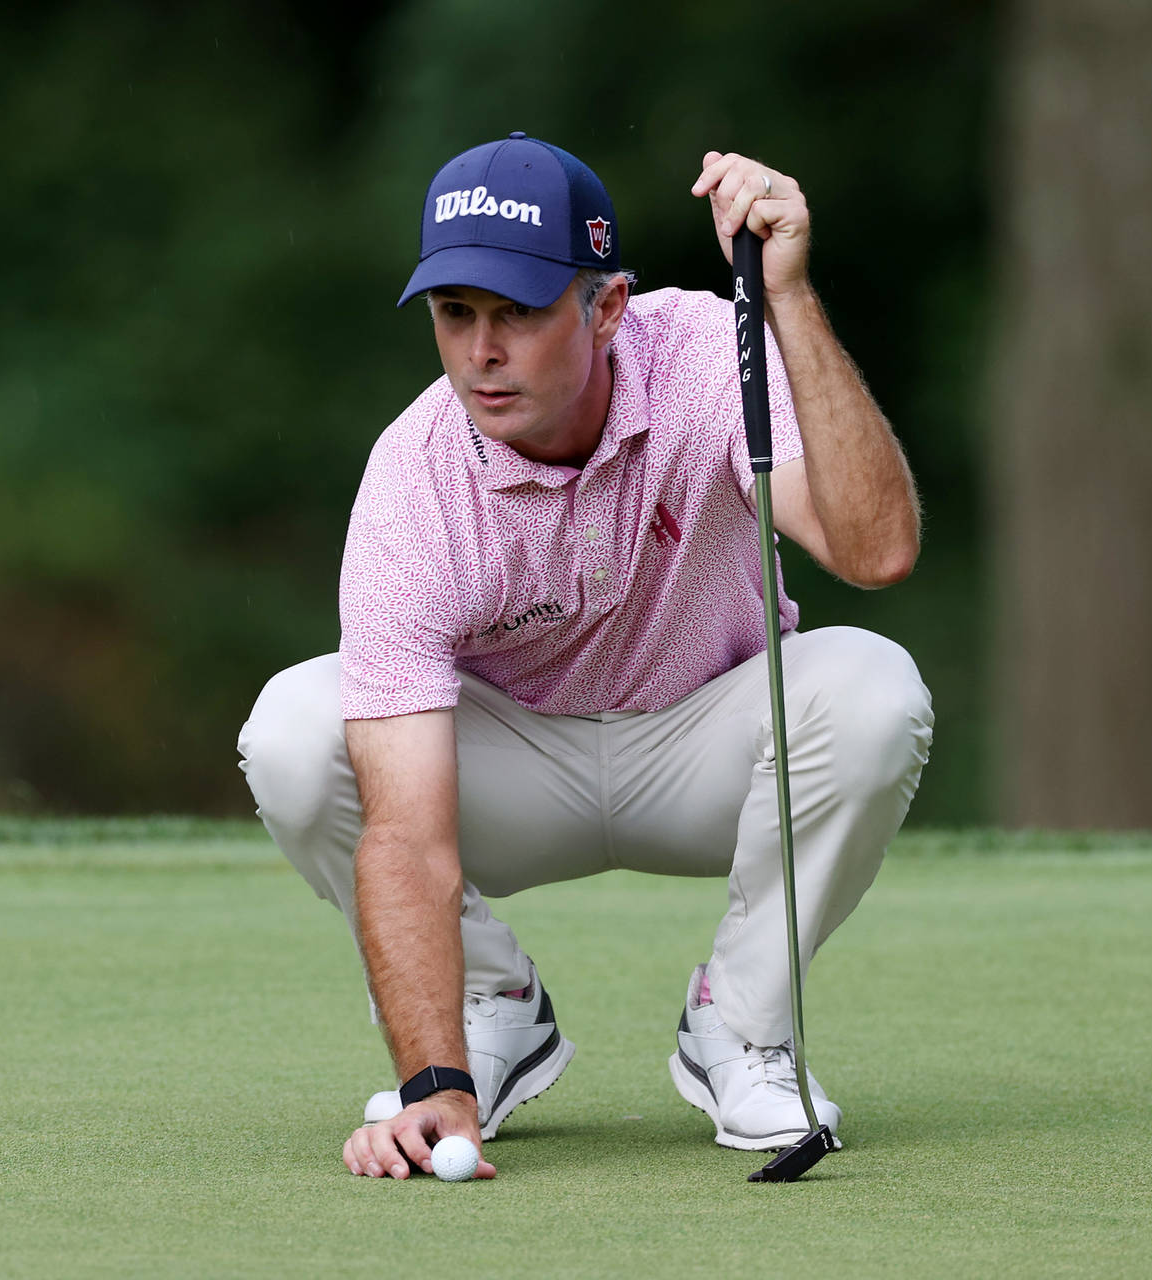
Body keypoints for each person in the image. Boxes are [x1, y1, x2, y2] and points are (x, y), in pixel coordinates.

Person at [238, 133, 932, 1181]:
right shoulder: (411, 483)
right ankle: (490, 1017)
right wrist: (432, 1086)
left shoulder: (706, 354)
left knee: (874, 687)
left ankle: (743, 1026)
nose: (482, 351)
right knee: (294, 730)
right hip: (510, 774)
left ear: (606, 308)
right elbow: (409, 838)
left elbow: (876, 550)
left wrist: (786, 301)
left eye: (517, 312)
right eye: (456, 314)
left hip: (708, 745)